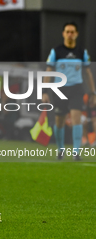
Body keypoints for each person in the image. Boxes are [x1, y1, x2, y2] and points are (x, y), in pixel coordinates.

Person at [43, 22, 96, 160]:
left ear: (77, 34)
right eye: (67, 32)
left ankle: (76, 152)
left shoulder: (82, 52)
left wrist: (92, 92)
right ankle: (61, 150)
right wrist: (44, 91)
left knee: (76, 119)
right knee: (59, 121)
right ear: (63, 34)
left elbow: (88, 73)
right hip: (59, 89)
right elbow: (49, 71)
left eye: (72, 32)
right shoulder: (56, 51)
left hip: (76, 89)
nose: (70, 34)